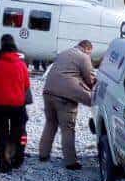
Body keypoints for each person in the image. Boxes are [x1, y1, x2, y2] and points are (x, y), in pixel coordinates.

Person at [39, 40, 95, 170]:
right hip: (65, 97)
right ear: (87, 49)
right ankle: (70, 162)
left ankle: (43, 154)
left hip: (48, 92)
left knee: (50, 124)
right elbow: (90, 79)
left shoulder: (64, 53)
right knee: (68, 129)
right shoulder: (84, 57)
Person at [0, 34, 31, 173]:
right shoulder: (21, 64)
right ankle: (17, 159)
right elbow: (26, 85)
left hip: (1, 104)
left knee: (1, 133)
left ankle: (3, 163)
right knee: (18, 132)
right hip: (18, 104)